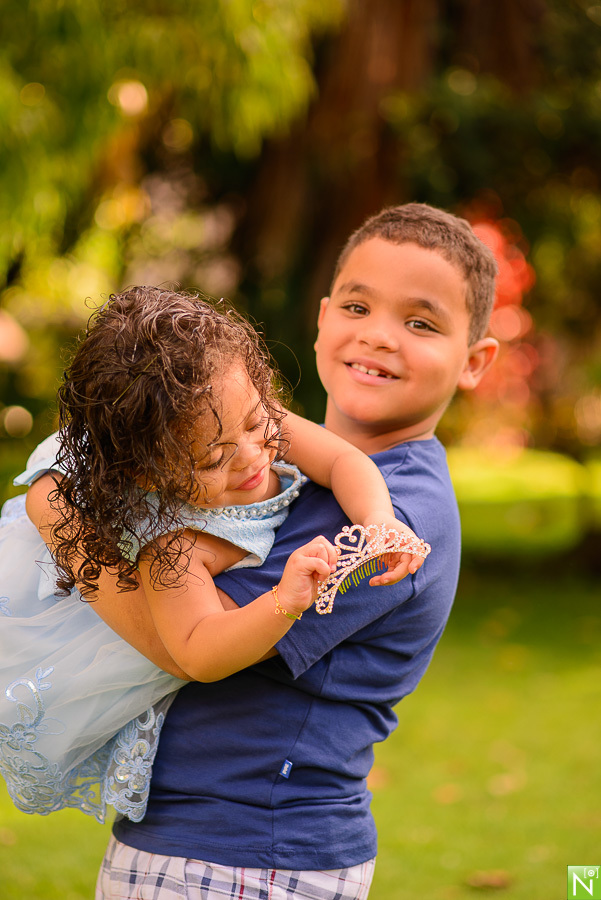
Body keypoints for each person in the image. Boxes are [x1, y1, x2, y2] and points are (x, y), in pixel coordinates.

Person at [32, 203, 499, 899]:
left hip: (249, 854)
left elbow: (184, 642)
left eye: (420, 323)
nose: (377, 336)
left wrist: (66, 531)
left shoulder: (400, 519)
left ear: (474, 362)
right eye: (356, 305)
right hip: (200, 839)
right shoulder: (264, 452)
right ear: (321, 318)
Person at [0, 287, 426, 825]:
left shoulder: (241, 415)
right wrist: (283, 601)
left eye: (253, 425)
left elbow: (343, 460)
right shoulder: (173, 548)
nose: (250, 457)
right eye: (213, 458)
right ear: (149, 475)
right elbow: (198, 653)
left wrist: (380, 522)